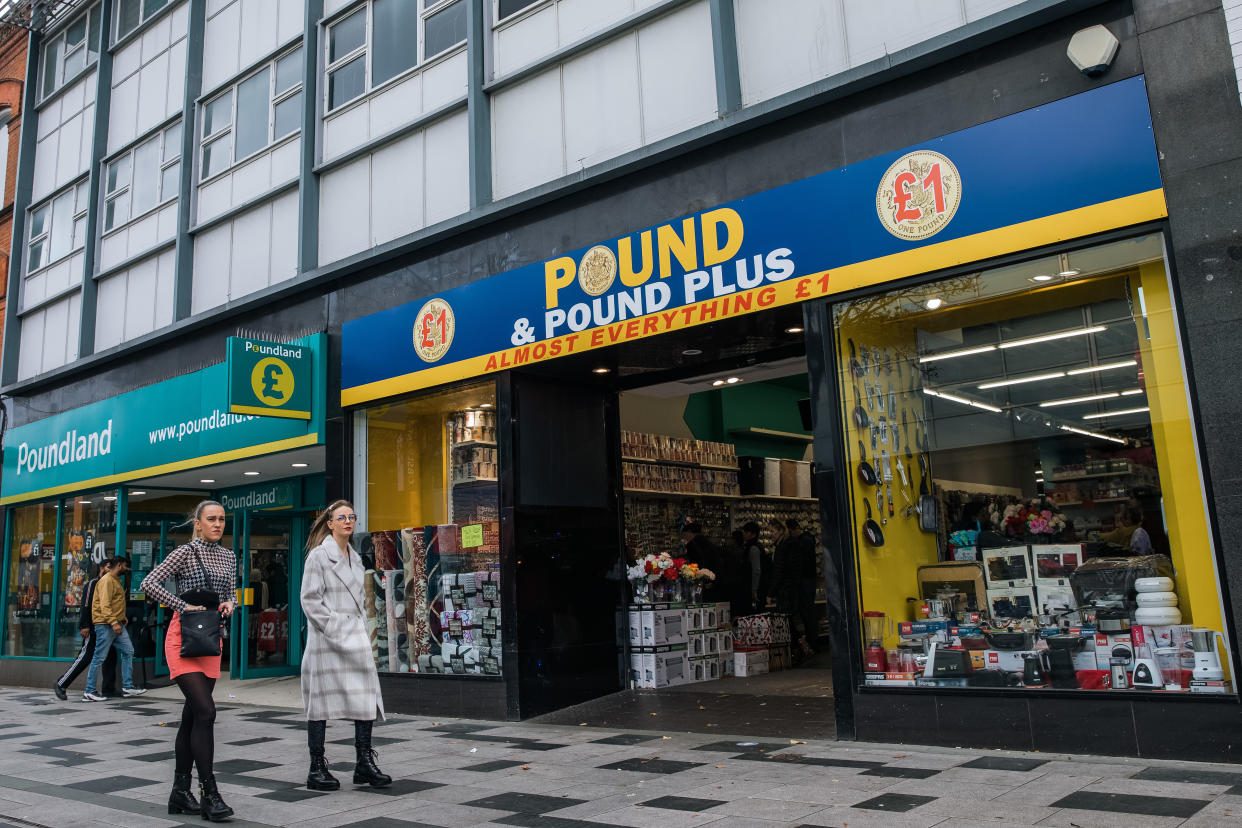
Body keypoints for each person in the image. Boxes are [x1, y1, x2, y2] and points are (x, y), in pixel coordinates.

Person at [141, 501, 237, 822]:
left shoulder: (229, 555)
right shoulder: (184, 553)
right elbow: (149, 583)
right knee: (207, 711)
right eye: (211, 519)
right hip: (182, 639)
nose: (218, 524)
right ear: (197, 523)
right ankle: (210, 793)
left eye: (222, 519)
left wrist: (229, 604)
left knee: (193, 716)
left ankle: (180, 792)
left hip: (210, 639)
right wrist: (182, 606)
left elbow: (231, 593)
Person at [301, 500, 390, 792]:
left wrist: (362, 630)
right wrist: (334, 627)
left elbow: (362, 602)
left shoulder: (355, 557)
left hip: (355, 638)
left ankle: (364, 763)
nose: (348, 522)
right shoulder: (318, 557)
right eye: (342, 517)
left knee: (366, 698)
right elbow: (310, 600)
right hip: (327, 641)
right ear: (330, 523)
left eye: (352, 517)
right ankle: (317, 767)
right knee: (320, 703)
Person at [82, 556, 147, 702]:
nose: (127, 569)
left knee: (128, 651)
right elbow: (105, 604)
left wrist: (122, 618)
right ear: (119, 565)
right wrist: (114, 622)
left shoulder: (115, 580)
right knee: (99, 656)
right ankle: (89, 691)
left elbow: (114, 602)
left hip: (116, 623)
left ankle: (127, 686)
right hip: (106, 625)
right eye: (125, 566)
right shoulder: (107, 581)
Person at [54, 559, 117, 700]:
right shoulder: (93, 583)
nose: (110, 569)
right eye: (108, 566)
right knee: (85, 656)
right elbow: (86, 605)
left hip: (106, 628)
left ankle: (109, 688)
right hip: (93, 627)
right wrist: (85, 625)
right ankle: (61, 683)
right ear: (101, 567)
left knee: (111, 656)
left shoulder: (110, 583)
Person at [785, 519, 819, 656]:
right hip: (806, 580)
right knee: (807, 613)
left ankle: (813, 643)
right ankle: (812, 642)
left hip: (805, 581)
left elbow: (804, 561)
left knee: (808, 613)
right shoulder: (807, 539)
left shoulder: (803, 541)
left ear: (791, 530)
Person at [741, 522, 766, 612]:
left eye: (746, 532)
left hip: (755, 588)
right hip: (756, 586)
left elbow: (756, 570)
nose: (744, 534)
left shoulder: (753, 548)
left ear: (753, 534)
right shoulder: (753, 546)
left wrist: (754, 590)